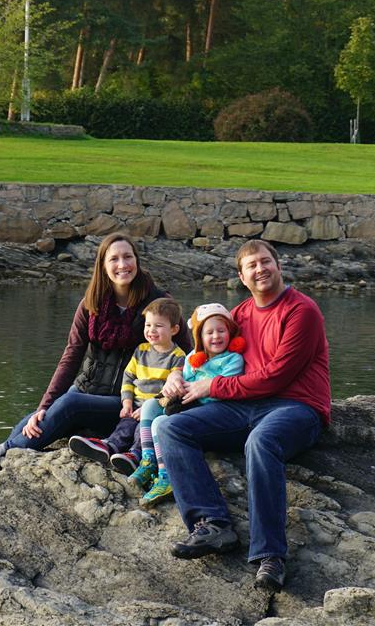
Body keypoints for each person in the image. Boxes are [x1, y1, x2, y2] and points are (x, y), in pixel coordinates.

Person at [0, 233, 191, 501]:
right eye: (114, 259)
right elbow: (71, 356)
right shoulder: (91, 303)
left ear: (137, 260)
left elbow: (188, 357)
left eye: (128, 257)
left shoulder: (158, 304)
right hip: (86, 389)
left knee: (70, 404)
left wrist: (170, 391)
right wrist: (44, 406)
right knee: (37, 418)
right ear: (103, 265)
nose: (122, 264)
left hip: (127, 403)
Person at [155, 240, 330, 594]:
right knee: (171, 428)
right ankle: (213, 525)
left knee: (261, 441)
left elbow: (276, 377)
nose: (260, 269)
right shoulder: (240, 314)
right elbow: (203, 351)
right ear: (241, 276)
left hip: (296, 407)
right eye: (252, 265)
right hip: (245, 405)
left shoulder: (302, 311)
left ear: (278, 266)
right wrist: (176, 375)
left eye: (266, 262)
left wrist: (212, 386)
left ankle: (270, 555)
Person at [126, 302, 246, 507]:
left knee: (160, 423)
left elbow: (226, 388)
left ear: (230, 332)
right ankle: (148, 459)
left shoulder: (233, 360)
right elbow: (184, 376)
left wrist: (198, 389)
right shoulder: (193, 358)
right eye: (209, 332)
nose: (216, 336)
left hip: (206, 408)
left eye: (221, 331)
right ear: (199, 336)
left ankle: (166, 475)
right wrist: (175, 383)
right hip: (185, 401)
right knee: (149, 406)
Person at [68, 297, 185, 475]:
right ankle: (109, 446)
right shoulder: (141, 350)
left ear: (174, 329)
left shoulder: (178, 356)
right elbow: (129, 377)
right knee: (125, 426)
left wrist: (148, 407)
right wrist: (127, 402)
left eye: (159, 326)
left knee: (141, 431)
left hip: (156, 409)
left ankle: (135, 455)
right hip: (135, 405)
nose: (151, 330)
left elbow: (171, 391)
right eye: (148, 325)